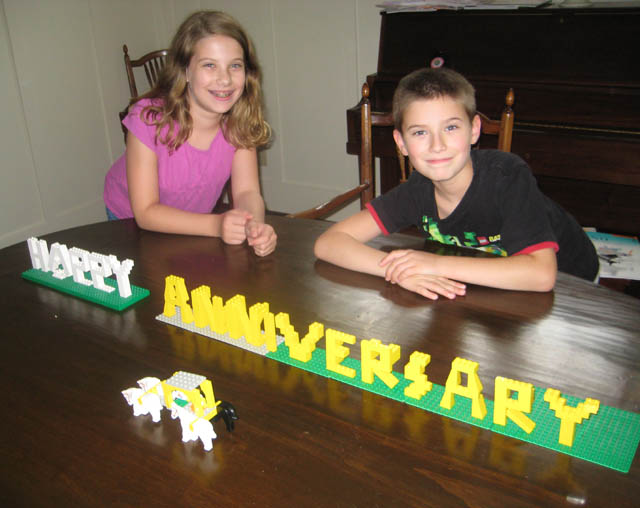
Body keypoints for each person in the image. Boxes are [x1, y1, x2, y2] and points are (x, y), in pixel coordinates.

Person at [314, 68, 598, 299]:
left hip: (572, 285)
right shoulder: (416, 191)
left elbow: (541, 275)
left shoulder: (507, 175)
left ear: (474, 130)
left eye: (450, 127)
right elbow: (329, 243)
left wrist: (434, 264)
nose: (437, 145)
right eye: (420, 132)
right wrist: (400, 271)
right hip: (492, 285)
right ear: (401, 143)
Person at [104, 10, 276, 257]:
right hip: (130, 222)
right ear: (185, 71)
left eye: (235, 66)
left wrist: (253, 224)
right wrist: (216, 225)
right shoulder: (148, 120)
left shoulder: (240, 124)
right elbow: (146, 212)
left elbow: (246, 192)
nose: (225, 79)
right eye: (209, 65)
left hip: (194, 221)